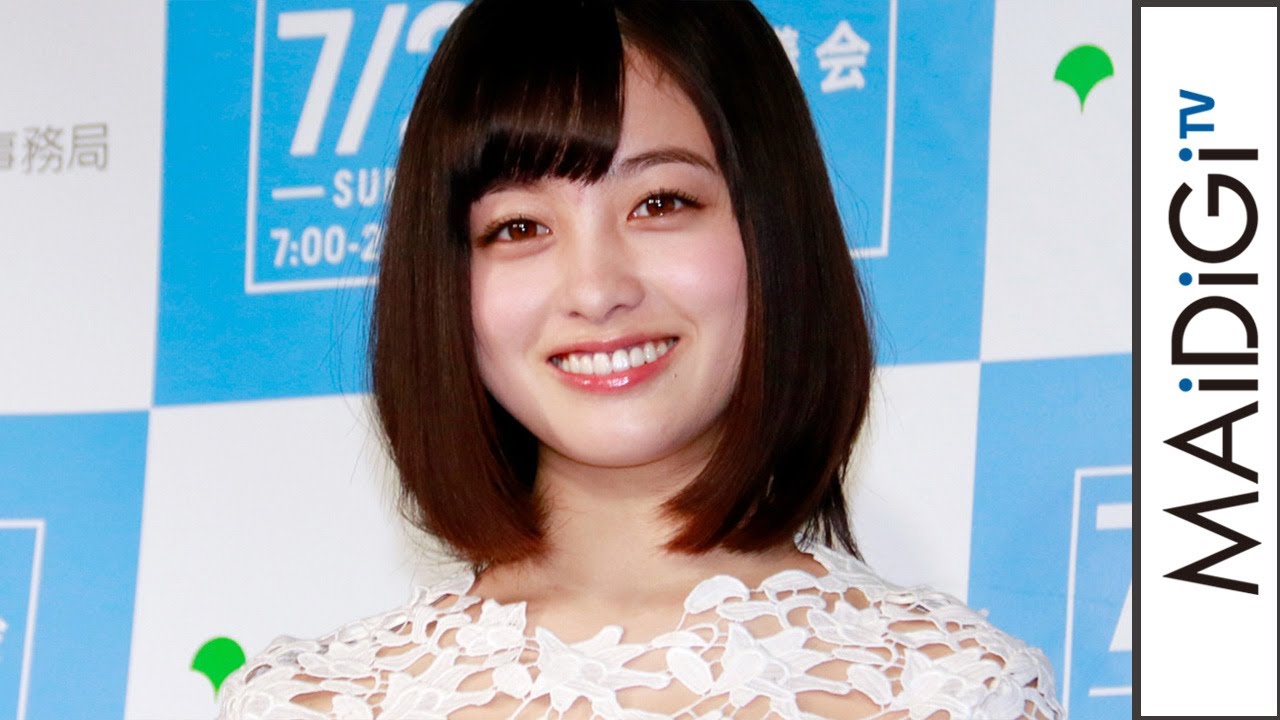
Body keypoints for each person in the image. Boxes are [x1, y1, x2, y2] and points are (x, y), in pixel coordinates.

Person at [218, 0, 1062, 717]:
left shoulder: (953, 691)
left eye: (660, 203)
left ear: (771, 230)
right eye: (519, 226)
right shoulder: (314, 702)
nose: (596, 289)